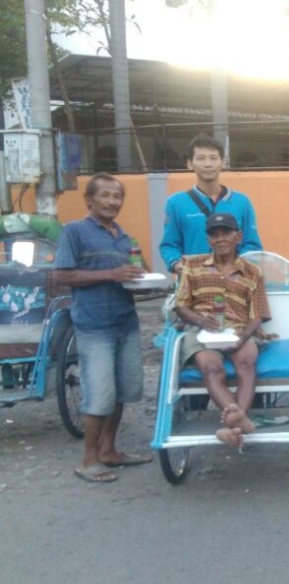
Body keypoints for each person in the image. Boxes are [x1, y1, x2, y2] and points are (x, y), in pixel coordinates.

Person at [54, 174, 151, 483]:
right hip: (94, 325)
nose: (112, 202)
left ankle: (109, 450)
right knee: (99, 394)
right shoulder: (75, 231)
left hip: (126, 322)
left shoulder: (124, 238)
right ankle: (88, 460)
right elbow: (62, 276)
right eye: (105, 196)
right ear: (89, 200)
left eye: (117, 197)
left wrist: (145, 279)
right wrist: (111, 273)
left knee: (122, 390)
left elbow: (137, 275)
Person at [173, 213, 272, 448]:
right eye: (214, 235)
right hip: (201, 332)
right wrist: (199, 320)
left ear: (238, 237)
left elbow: (259, 314)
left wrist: (244, 336)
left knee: (247, 363)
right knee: (211, 367)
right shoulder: (192, 266)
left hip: (238, 329)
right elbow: (180, 306)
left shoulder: (252, 271)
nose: (220, 239)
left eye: (226, 233)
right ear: (208, 240)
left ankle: (232, 426)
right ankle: (240, 423)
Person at [160, 134, 262, 274]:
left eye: (213, 158)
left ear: (223, 162)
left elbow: (252, 245)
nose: (208, 164)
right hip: (193, 287)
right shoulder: (175, 203)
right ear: (190, 164)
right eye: (201, 158)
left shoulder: (242, 202)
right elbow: (169, 245)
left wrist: (236, 267)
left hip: (234, 285)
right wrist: (177, 265)